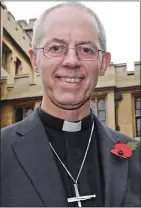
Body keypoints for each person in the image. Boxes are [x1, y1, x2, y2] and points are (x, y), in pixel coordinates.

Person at [1, 2, 140, 207]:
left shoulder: (136, 156)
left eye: (86, 49)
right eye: (56, 48)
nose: (72, 61)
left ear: (103, 63)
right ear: (34, 60)